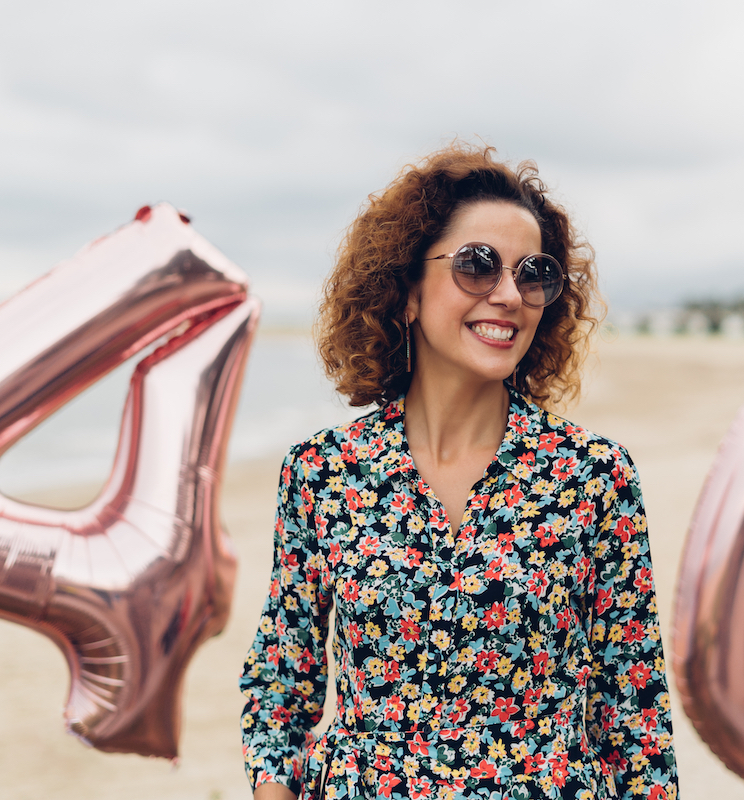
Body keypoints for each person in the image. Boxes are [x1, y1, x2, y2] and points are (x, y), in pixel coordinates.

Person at [240, 143, 677, 800]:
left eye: (533, 274)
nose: (508, 294)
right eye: (477, 266)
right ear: (408, 290)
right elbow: (281, 685)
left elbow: (636, 719)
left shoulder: (595, 478)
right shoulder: (321, 474)